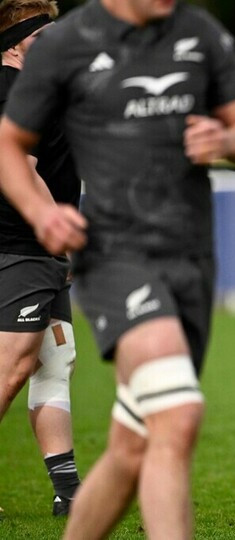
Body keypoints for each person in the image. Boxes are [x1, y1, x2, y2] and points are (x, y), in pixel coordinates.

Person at [0, 0, 235, 536]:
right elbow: (9, 147)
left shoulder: (199, 33)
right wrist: (41, 215)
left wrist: (227, 141)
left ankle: (72, 499)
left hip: (189, 257)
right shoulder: (66, 45)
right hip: (113, 253)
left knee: (133, 442)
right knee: (177, 414)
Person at [0, 0, 81, 517]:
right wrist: (59, 233)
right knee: (11, 369)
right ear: (14, 44)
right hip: (23, 247)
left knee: (54, 361)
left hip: (38, 250)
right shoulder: (15, 90)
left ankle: (68, 491)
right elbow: (18, 168)